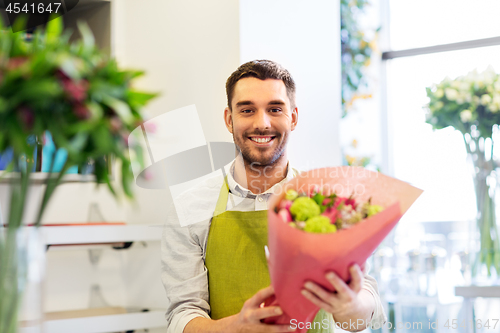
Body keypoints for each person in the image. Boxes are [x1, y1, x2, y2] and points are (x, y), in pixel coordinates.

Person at [162, 60, 386, 333]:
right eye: (247, 110)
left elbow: (365, 311)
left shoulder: (330, 205)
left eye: (275, 109)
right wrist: (236, 328)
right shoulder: (190, 207)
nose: (262, 123)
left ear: (293, 117)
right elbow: (183, 315)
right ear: (229, 120)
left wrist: (351, 308)